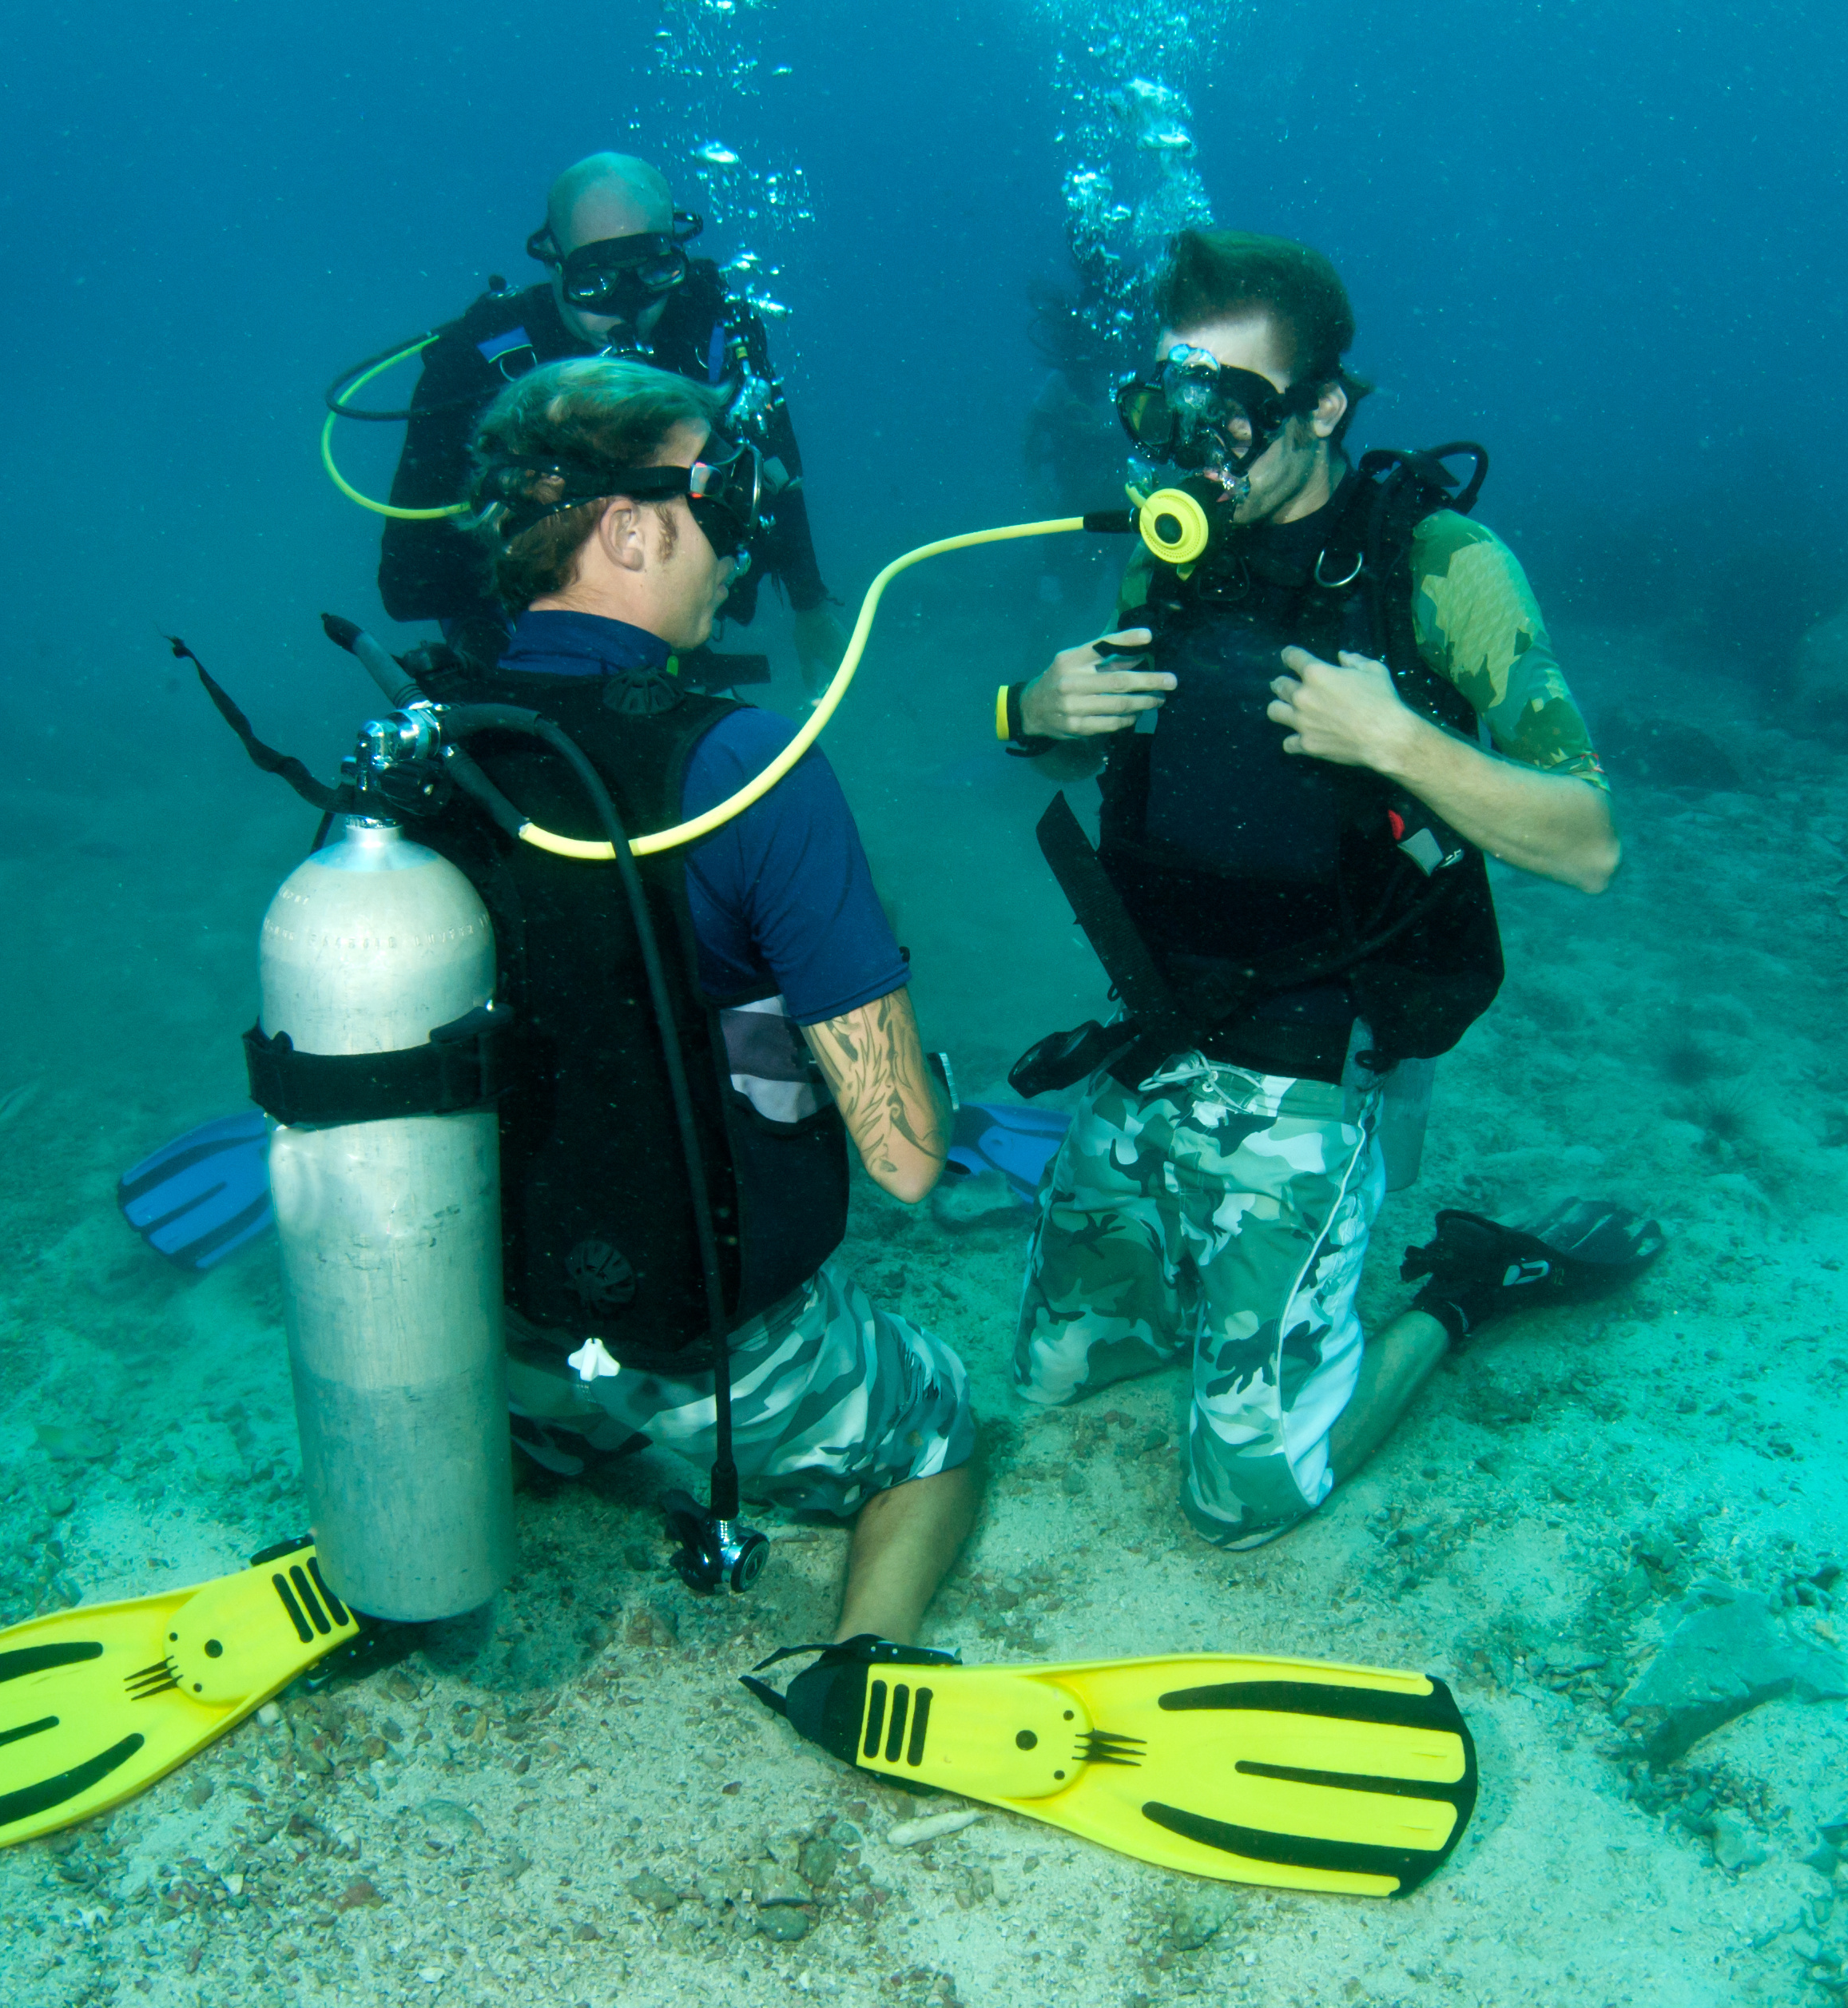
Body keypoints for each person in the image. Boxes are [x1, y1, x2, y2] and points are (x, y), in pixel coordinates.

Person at [995, 229, 1623, 1550]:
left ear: (1324, 403)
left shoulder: (1440, 566)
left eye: (1229, 409)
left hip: (1324, 1051)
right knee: (1052, 1378)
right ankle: (1221, 1270)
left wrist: (1393, 739)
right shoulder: (1168, 552)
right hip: (1156, 1028)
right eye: (1166, 406)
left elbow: (1585, 841)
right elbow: (1102, 744)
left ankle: (1459, 1288)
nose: (1193, 445)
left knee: (1241, 1502)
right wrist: (1031, 712)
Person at [413, 354, 975, 1641]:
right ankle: (861, 1663)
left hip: (484, 1322)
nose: (742, 549)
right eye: (720, 507)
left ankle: (525, 1456)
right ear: (623, 526)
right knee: (941, 1428)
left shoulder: (425, 749)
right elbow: (901, 1163)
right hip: (706, 1340)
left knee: (551, 1386)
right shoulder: (742, 763)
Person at [375, 153, 849, 682]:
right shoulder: (474, 364)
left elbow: (774, 466)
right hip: (523, 656)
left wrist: (809, 604)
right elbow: (406, 581)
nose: (627, 305)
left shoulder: (714, 324)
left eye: (653, 270)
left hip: (674, 636)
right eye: (594, 279)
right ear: (552, 258)